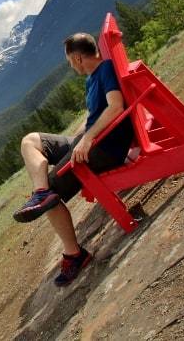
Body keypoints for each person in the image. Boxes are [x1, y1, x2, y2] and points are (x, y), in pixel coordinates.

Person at [12, 32, 134, 287]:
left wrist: (87, 139)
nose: (70, 66)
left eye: (69, 61)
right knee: (31, 140)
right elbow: (96, 115)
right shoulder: (92, 79)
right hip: (90, 141)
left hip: (103, 147)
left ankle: (75, 255)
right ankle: (41, 191)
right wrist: (79, 138)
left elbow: (115, 106)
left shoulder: (106, 69)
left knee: (51, 199)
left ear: (78, 58)